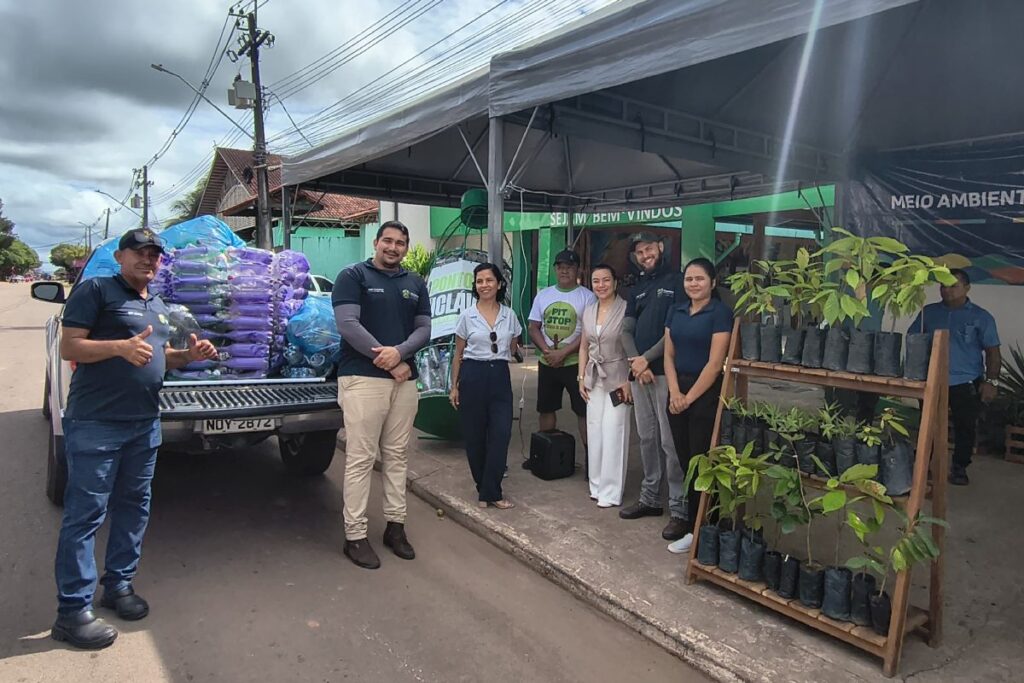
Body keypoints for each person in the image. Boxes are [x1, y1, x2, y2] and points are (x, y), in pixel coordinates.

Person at [53, 228, 218, 649]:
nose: (149, 260)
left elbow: (160, 357)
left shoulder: (158, 305)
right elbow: (69, 347)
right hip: (96, 422)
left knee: (134, 507)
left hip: (144, 424)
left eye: (155, 255)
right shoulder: (97, 291)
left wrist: (189, 357)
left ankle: (119, 586)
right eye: (140, 253)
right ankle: (72, 611)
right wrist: (119, 348)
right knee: (86, 514)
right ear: (122, 256)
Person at [332, 221, 431, 569]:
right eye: (387, 241)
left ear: (406, 247)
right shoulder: (353, 276)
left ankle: (395, 527)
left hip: (404, 382)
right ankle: (355, 535)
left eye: (400, 243)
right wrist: (389, 361)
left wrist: (400, 353)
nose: (393, 247)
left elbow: (424, 329)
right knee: (361, 458)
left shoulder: (415, 282)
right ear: (375, 242)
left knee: (397, 456)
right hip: (362, 379)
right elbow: (347, 325)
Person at [619, 232, 689, 543]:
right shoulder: (637, 288)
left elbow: (674, 330)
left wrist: (646, 361)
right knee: (646, 438)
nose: (644, 255)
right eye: (639, 252)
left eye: (649, 249)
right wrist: (636, 363)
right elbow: (626, 330)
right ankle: (650, 498)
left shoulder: (677, 281)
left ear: (660, 248)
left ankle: (679, 508)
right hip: (640, 374)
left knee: (669, 442)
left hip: (665, 373)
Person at [664, 258, 733, 553]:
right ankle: (696, 526)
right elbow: (668, 355)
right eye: (689, 279)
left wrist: (688, 398)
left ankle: (703, 530)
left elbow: (715, 364)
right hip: (677, 388)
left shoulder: (720, 313)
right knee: (684, 459)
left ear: (713, 283)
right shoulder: (676, 310)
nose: (693, 284)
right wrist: (674, 392)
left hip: (704, 392)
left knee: (701, 461)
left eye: (699, 279)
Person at [909, 268, 1000, 486]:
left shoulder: (981, 317)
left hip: (966, 382)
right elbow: (914, 341)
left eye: (953, 286)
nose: (947, 291)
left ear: (967, 288)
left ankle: (959, 468)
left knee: (965, 427)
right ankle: (923, 467)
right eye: (943, 286)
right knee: (927, 425)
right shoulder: (928, 313)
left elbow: (993, 352)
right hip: (931, 381)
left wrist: (991, 382)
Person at [449, 263, 522, 509]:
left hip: (499, 374)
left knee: (501, 434)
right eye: (479, 281)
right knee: (475, 435)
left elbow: (513, 345)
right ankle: (486, 489)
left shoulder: (509, 315)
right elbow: (458, 353)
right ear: (475, 285)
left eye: (489, 280)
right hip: (473, 373)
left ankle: (490, 490)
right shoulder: (466, 316)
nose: (484, 285)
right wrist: (454, 386)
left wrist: (501, 356)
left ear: (499, 283)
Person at [527, 249, 596, 450]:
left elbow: (588, 333)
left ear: (578, 270)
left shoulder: (588, 297)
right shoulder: (544, 295)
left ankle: (591, 460)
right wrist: (547, 351)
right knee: (546, 409)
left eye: (569, 267)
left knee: (583, 412)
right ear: (555, 269)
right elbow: (533, 327)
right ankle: (546, 453)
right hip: (547, 363)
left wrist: (563, 353)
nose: (564, 271)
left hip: (576, 364)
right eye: (560, 267)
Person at [578, 264, 632, 507]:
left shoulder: (625, 309)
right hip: (593, 377)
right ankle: (596, 485)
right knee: (595, 429)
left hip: (618, 376)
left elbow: (631, 344)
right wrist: (581, 377)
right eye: (596, 281)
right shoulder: (588, 310)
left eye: (606, 280)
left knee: (614, 431)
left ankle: (611, 491)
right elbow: (583, 346)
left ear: (615, 282)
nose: (601, 285)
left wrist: (629, 379)